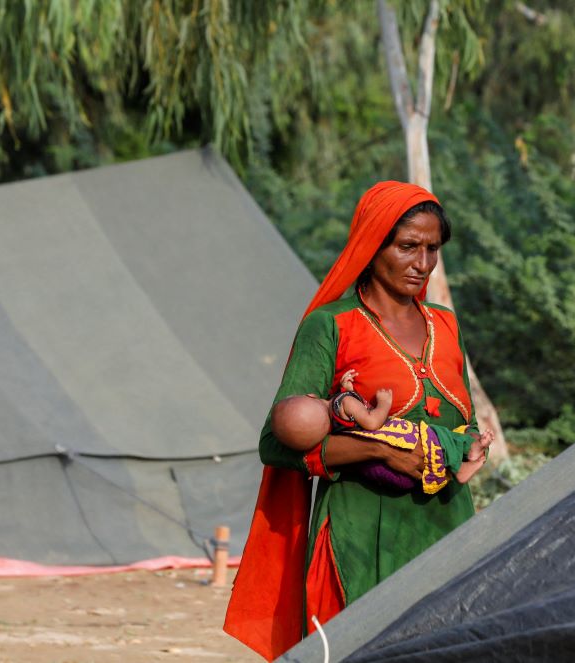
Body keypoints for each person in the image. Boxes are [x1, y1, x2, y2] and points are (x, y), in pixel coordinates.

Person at [224, 181, 492, 661]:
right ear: (373, 244)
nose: (423, 263)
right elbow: (277, 442)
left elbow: (465, 423)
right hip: (359, 528)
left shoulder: (446, 324)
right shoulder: (332, 325)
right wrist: (379, 449)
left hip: (446, 524)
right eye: (408, 246)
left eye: (433, 249)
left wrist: (470, 446)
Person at [270, 369, 490, 492]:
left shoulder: (331, 427)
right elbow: (371, 422)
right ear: (310, 396)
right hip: (399, 443)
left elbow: (350, 421)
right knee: (439, 438)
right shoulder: (343, 403)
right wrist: (384, 403)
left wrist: (347, 387)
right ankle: (466, 457)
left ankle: (457, 467)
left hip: (386, 475)